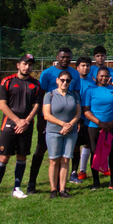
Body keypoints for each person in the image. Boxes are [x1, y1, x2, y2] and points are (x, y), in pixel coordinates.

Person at [0, 54, 41, 202]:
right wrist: (18, 121)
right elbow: (2, 105)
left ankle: (17, 188)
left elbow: (36, 105)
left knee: (22, 156)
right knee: (4, 157)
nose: (27, 67)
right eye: (24, 64)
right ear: (18, 65)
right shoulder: (7, 81)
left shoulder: (35, 84)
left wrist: (26, 121)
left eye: (30, 65)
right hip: (10, 125)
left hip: (26, 126)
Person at [29, 47, 80, 193]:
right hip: (49, 120)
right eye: (62, 57)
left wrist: (75, 122)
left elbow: (76, 97)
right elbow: (41, 97)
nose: (65, 59)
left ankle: (60, 186)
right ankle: (32, 182)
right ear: (57, 57)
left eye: (68, 57)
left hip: (68, 122)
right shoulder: (47, 73)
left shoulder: (74, 73)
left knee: (65, 155)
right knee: (41, 150)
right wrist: (40, 120)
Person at [82, 67, 113, 190]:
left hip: (112, 127)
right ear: (95, 77)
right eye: (101, 76)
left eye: (106, 76)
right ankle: (96, 182)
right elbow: (86, 111)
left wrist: (112, 122)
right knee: (95, 153)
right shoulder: (90, 91)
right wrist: (100, 123)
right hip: (94, 127)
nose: (104, 78)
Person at [42, 70, 82, 198]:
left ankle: (62, 189)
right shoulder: (50, 95)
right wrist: (63, 124)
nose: (65, 82)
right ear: (57, 81)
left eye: (67, 80)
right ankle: (53, 189)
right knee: (54, 160)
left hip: (71, 132)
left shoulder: (74, 95)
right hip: (54, 132)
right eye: (62, 80)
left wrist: (70, 125)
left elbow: (78, 114)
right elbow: (47, 115)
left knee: (66, 159)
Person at [69, 56, 95, 184]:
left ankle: (82, 170)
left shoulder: (93, 82)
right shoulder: (72, 81)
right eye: (83, 65)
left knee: (88, 144)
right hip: (75, 118)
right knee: (74, 146)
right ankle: (73, 171)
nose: (85, 68)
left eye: (88, 66)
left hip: (89, 119)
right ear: (77, 67)